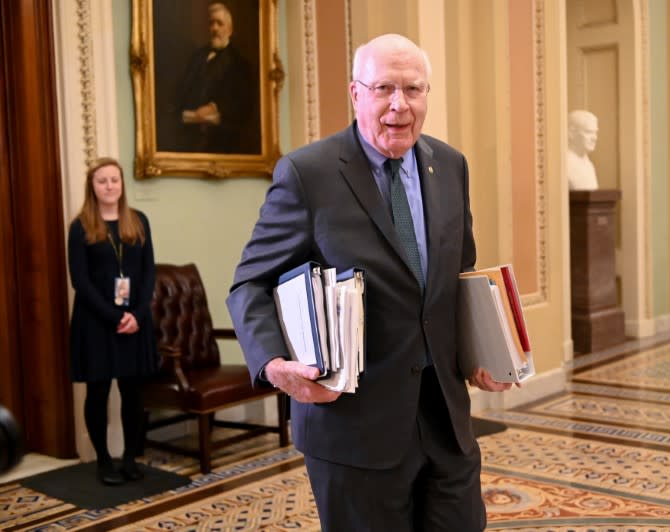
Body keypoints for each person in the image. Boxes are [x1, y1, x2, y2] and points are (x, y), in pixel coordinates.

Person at [227, 33, 512, 531]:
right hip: (353, 429)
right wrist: (273, 363)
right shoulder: (307, 173)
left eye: (413, 90)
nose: (399, 105)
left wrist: (481, 351)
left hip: (446, 421)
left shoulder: (450, 165)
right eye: (383, 88)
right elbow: (249, 283)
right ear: (356, 94)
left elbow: (456, 275)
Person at [67, 157, 158, 486]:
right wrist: (115, 315)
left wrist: (137, 314)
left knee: (133, 392)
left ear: (122, 184)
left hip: (135, 320)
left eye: (114, 180)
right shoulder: (81, 227)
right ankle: (104, 461)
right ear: (92, 186)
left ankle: (131, 459)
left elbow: (149, 272)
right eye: (102, 181)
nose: (109, 186)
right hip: (96, 323)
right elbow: (80, 280)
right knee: (98, 392)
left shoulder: (138, 221)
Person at [170, 1, 257, 154]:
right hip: (190, 136)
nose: (215, 28)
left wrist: (214, 107)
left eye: (220, 23)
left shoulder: (239, 63)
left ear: (230, 29)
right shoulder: (197, 57)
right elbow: (181, 93)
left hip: (223, 140)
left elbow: (244, 104)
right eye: (211, 23)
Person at [566, 109, 600, 190]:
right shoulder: (565, 163)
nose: (594, 138)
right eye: (588, 132)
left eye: (595, 132)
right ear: (571, 133)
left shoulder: (589, 164)